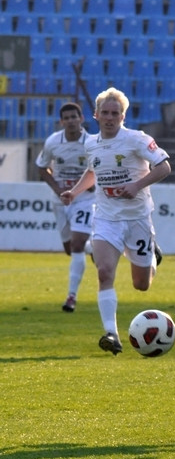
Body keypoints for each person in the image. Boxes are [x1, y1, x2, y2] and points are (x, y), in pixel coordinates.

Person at [61, 88, 171, 355]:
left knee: (141, 285)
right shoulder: (91, 144)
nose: (110, 118)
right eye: (105, 113)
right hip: (106, 218)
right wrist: (74, 192)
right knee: (104, 272)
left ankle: (152, 256)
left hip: (137, 218)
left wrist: (137, 185)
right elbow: (93, 171)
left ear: (123, 116)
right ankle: (112, 334)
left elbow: (164, 166)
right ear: (96, 115)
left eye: (115, 113)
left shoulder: (137, 139)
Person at [36, 102, 94, 313]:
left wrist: (90, 184)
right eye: (66, 118)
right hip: (60, 200)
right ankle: (93, 248)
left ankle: (71, 296)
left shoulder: (91, 143)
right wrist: (57, 188)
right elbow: (41, 167)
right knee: (70, 249)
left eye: (74, 117)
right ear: (61, 122)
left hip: (84, 199)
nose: (70, 121)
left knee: (77, 244)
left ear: (81, 119)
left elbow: (100, 169)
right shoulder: (53, 142)